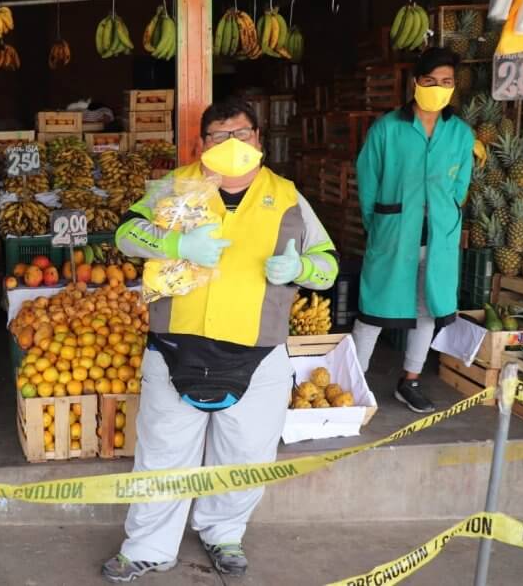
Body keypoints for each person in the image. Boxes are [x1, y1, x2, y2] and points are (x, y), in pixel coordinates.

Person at [102, 97, 338, 580]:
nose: (232, 144)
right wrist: (174, 243)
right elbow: (126, 233)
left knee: (247, 454)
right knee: (163, 454)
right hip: (174, 345)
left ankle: (223, 534)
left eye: (242, 134)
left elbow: (328, 264)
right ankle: (147, 546)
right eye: (219, 136)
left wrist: (301, 268)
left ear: (258, 139)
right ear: (201, 142)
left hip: (258, 350)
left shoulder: (288, 195)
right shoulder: (177, 187)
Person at [352, 47, 474, 413]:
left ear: (454, 87)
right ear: (415, 82)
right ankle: (352, 382)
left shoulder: (460, 134)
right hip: (393, 234)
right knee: (374, 310)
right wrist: (380, 226)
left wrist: (447, 215)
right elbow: (367, 182)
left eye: (446, 82)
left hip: (438, 237)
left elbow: (461, 186)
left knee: (426, 311)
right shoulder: (387, 128)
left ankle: (410, 380)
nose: (438, 87)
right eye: (430, 81)